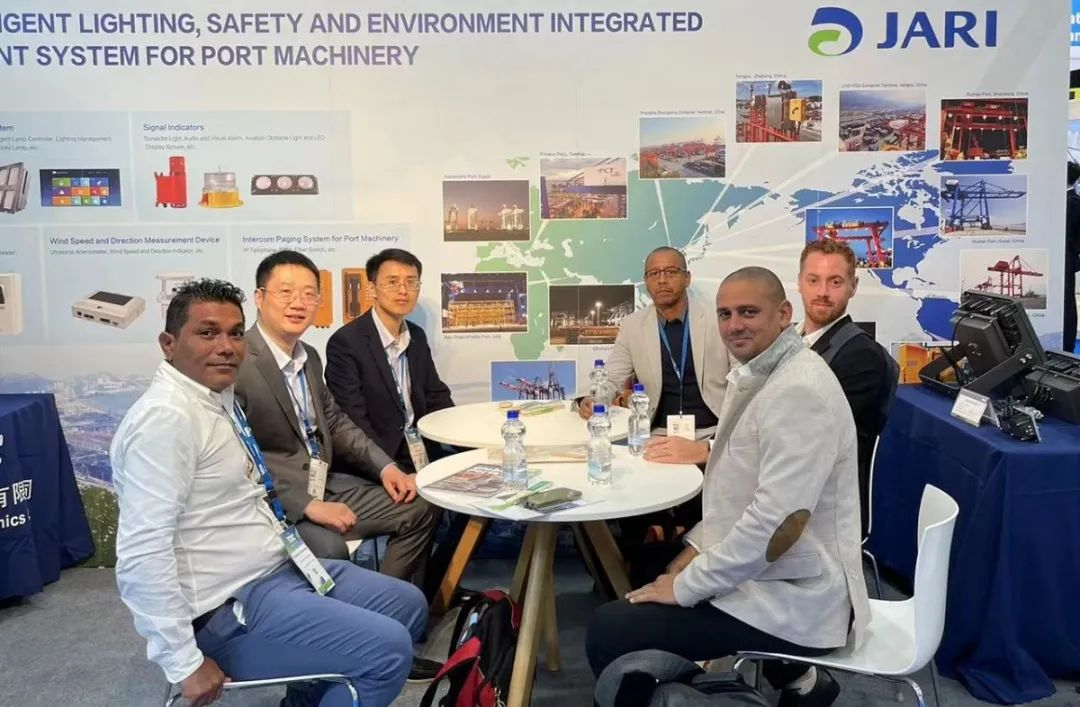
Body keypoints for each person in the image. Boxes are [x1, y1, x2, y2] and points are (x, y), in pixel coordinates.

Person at [112, 279, 427, 707]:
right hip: (227, 607)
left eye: (234, 333)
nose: (226, 347)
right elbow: (141, 555)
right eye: (207, 333)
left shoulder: (215, 398)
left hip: (278, 569)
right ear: (169, 344)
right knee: (389, 651)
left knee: (407, 605)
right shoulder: (166, 421)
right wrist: (182, 661)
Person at [588, 267, 870, 707]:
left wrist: (688, 584)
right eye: (725, 314)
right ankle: (794, 681)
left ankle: (716, 687)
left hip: (796, 593)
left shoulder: (798, 391)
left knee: (610, 631)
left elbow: (776, 526)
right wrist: (691, 555)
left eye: (748, 312)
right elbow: (742, 501)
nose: (734, 325)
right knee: (649, 566)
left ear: (783, 314)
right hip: (773, 569)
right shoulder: (763, 372)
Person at [234, 250, 440, 593]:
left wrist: (386, 467)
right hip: (275, 502)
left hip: (325, 483)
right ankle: (354, 615)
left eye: (308, 294)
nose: (298, 303)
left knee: (423, 506)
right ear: (259, 297)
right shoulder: (238, 363)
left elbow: (336, 423)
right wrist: (306, 505)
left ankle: (385, 600)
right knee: (330, 550)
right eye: (285, 292)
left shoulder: (309, 357)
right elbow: (238, 461)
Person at [577, 246, 730, 579]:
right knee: (621, 490)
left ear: (687, 278)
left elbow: (741, 383)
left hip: (710, 434)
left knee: (709, 496)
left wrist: (716, 441)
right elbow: (612, 378)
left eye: (671, 272)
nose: (662, 280)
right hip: (656, 435)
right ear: (646, 282)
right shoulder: (634, 326)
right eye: (654, 274)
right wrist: (590, 398)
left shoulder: (717, 319)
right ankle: (636, 568)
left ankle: (686, 559)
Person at [796, 239, 897, 535]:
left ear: (853, 287)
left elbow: (806, 434)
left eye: (835, 282)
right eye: (813, 280)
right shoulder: (788, 340)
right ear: (799, 283)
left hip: (824, 505)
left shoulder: (861, 357)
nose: (822, 292)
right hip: (791, 483)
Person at [325, 248, 454, 474]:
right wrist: (389, 469)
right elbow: (353, 421)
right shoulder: (346, 342)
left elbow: (436, 396)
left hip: (420, 450)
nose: (403, 290)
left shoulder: (416, 336)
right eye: (392, 282)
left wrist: (463, 440)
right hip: (377, 458)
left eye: (411, 282)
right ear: (372, 289)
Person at [1065, 161, 1080, 353]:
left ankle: (1066, 344)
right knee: (1067, 300)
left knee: (1067, 302)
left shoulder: (1070, 202)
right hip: (1068, 257)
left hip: (1065, 258)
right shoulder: (1074, 200)